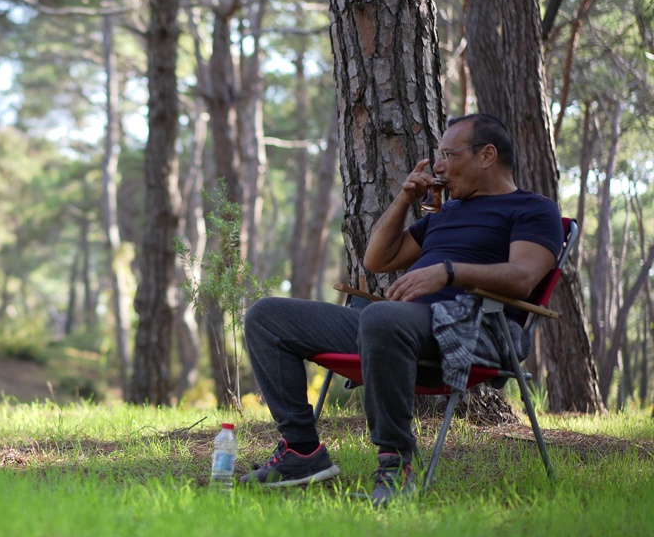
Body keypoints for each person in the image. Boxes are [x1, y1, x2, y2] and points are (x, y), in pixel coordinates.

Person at [238, 113, 562, 506]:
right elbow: (377, 259)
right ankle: (301, 452)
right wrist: (405, 198)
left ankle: (397, 462)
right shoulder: (446, 213)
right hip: (394, 326)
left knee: (380, 316)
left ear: (487, 155)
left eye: (448, 154)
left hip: (471, 327)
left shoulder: (532, 209)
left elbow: (523, 277)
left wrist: (448, 272)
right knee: (266, 316)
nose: (438, 165)